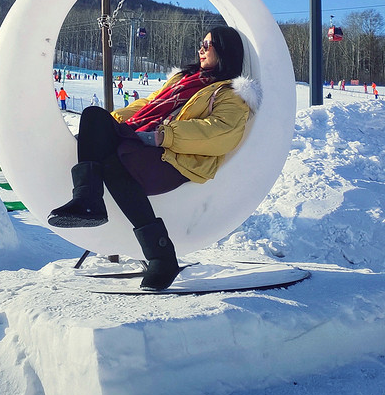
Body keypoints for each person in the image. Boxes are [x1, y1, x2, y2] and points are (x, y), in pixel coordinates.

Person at [48, 26, 256, 291]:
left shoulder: (230, 94)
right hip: (146, 145)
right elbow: (148, 105)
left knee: (117, 158)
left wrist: (164, 136)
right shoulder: (185, 78)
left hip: (176, 159)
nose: (201, 49)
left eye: (208, 45)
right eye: (201, 44)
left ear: (225, 50)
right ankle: (95, 205)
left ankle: (151, 248)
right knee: (94, 118)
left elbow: (220, 134)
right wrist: (111, 123)